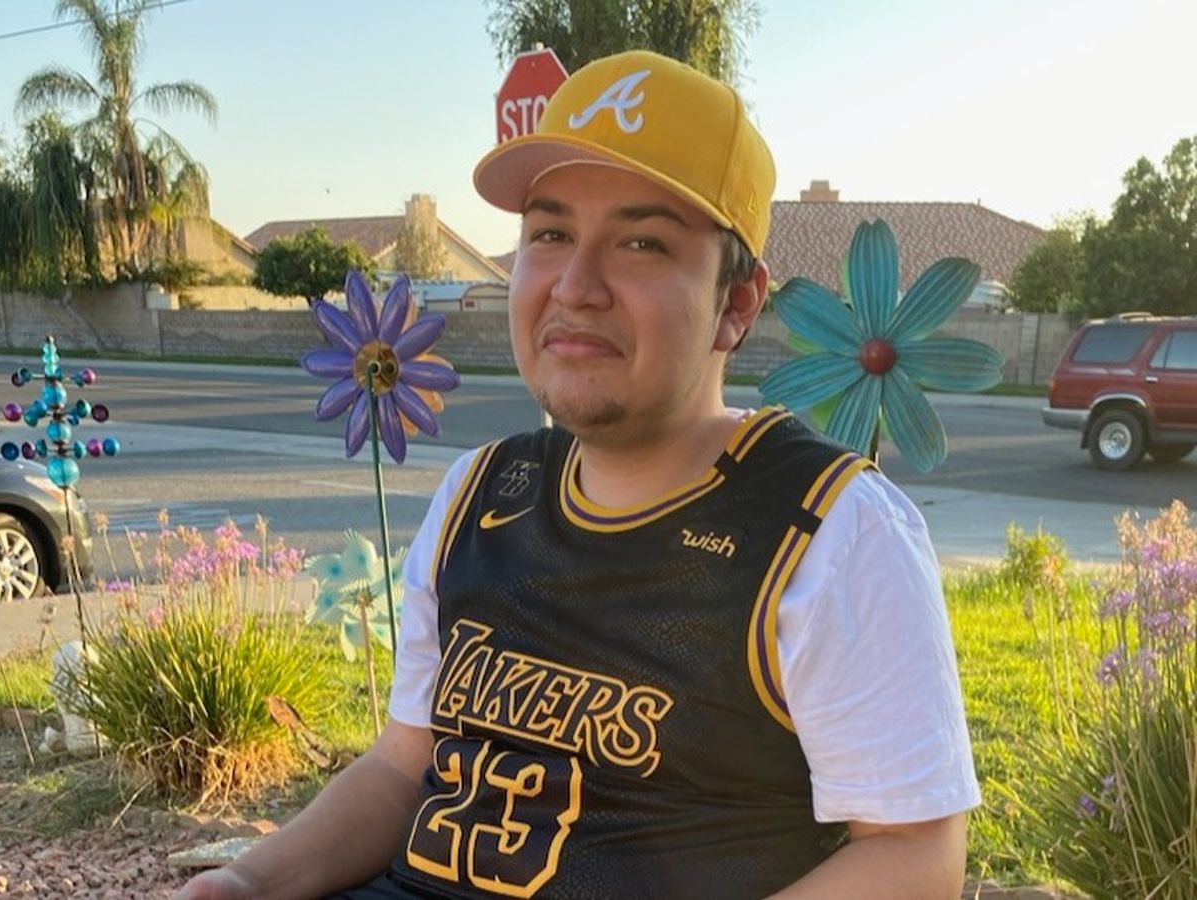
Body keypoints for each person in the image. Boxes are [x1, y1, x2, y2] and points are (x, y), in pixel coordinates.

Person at [176, 50, 980, 900]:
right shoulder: (478, 494)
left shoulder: (829, 531)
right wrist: (244, 884)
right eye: (551, 235)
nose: (576, 286)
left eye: (642, 243)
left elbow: (914, 854)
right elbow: (403, 766)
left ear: (737, 302)